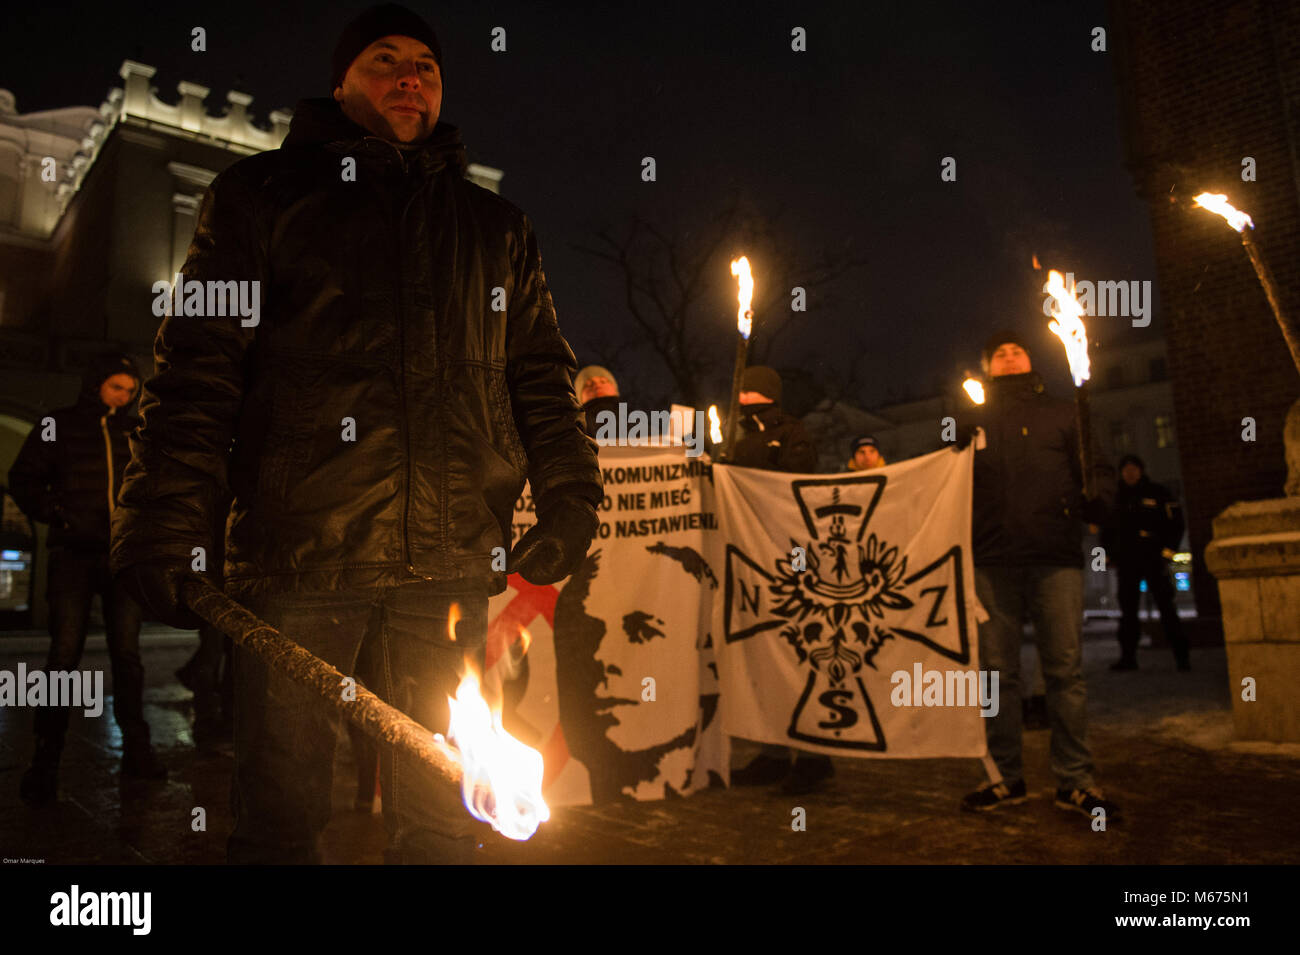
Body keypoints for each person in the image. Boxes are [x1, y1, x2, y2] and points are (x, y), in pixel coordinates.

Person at [110, 3, 602, 864]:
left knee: (445, 816)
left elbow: (539, 381)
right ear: (341, 81)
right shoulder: (259, 200)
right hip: (303, 552)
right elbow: (198, 370)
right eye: (385, 60)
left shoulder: (497, 230)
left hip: (446, 561)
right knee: (280, 811)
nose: (411, 76)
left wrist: (568, 494)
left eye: (426, 65)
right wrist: (164, 517)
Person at [955, 330, 1120, 820]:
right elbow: (942, 473)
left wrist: (1096, 500)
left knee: (1064, 671)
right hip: (992, 560)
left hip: (1055, 556)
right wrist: (952, 441)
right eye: (998, 352)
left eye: (1016, 350)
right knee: (996, 674)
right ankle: (1005, 777)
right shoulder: (971, 417)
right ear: (987, 368)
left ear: (1030, 359)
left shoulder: (1064, 411)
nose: (1008, 356)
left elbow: (1099, 469)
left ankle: (1075, 780)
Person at [8, 353, 166, 806]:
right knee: (63, 654)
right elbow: (24, 478)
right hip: (73, 555)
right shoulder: (58, 424)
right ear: (95, 383)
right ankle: (46, 761)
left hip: (121, 559)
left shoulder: (135, 431)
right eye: (117, 387)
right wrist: (58, 516)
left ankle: (138, 751)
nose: (125, 396)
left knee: (128, 655)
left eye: (131, 389)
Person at [724, 366, 831, 794]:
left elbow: (797, 481)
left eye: (753, 389)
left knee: (799, 648)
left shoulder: (791, 432)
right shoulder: (732, 434)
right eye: (742, 388)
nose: (745, 395)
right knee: (762, 649)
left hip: (794, 553)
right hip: (752, 554)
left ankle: (813, 756)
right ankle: (772, 752)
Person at [1102, 454, 1189, 671]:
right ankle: (1128, 657)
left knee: (1166, 607)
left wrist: (1168, 553)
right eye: (1126, 470)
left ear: (1141, 470)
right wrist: (1110, 555)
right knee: (1128, 611)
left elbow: (1176, 523)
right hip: (1128, 561)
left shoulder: (1157, 493)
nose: (1130, 473)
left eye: (1133, 469)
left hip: (1153, 558)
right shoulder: (1116, 497)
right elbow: (1107, 529)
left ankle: (1181, 656)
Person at [574, 365, 622, 440]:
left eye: (603, 381)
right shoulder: (575, 428)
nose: (597, 386)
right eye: (589, 385)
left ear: (615, 389)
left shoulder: (637, 420)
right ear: (580, 396)